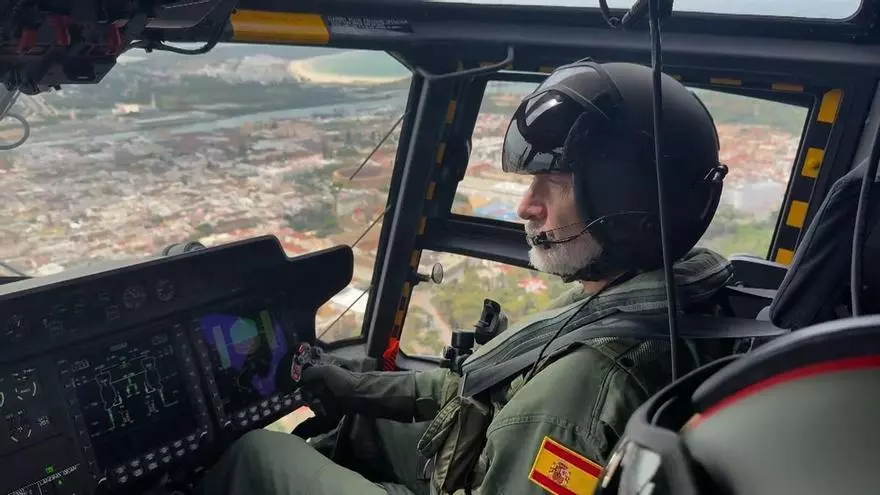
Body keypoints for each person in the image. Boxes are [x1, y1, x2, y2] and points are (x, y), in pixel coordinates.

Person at [197, 60, 740, 495]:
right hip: (492, 454)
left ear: (631, 203)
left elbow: (532, 417)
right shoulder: (659, 291)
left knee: (258, 454)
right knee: (361, 424)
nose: (527, 206)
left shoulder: (581, 390)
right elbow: (484, 384)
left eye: (555, 182)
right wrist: (353, 385)